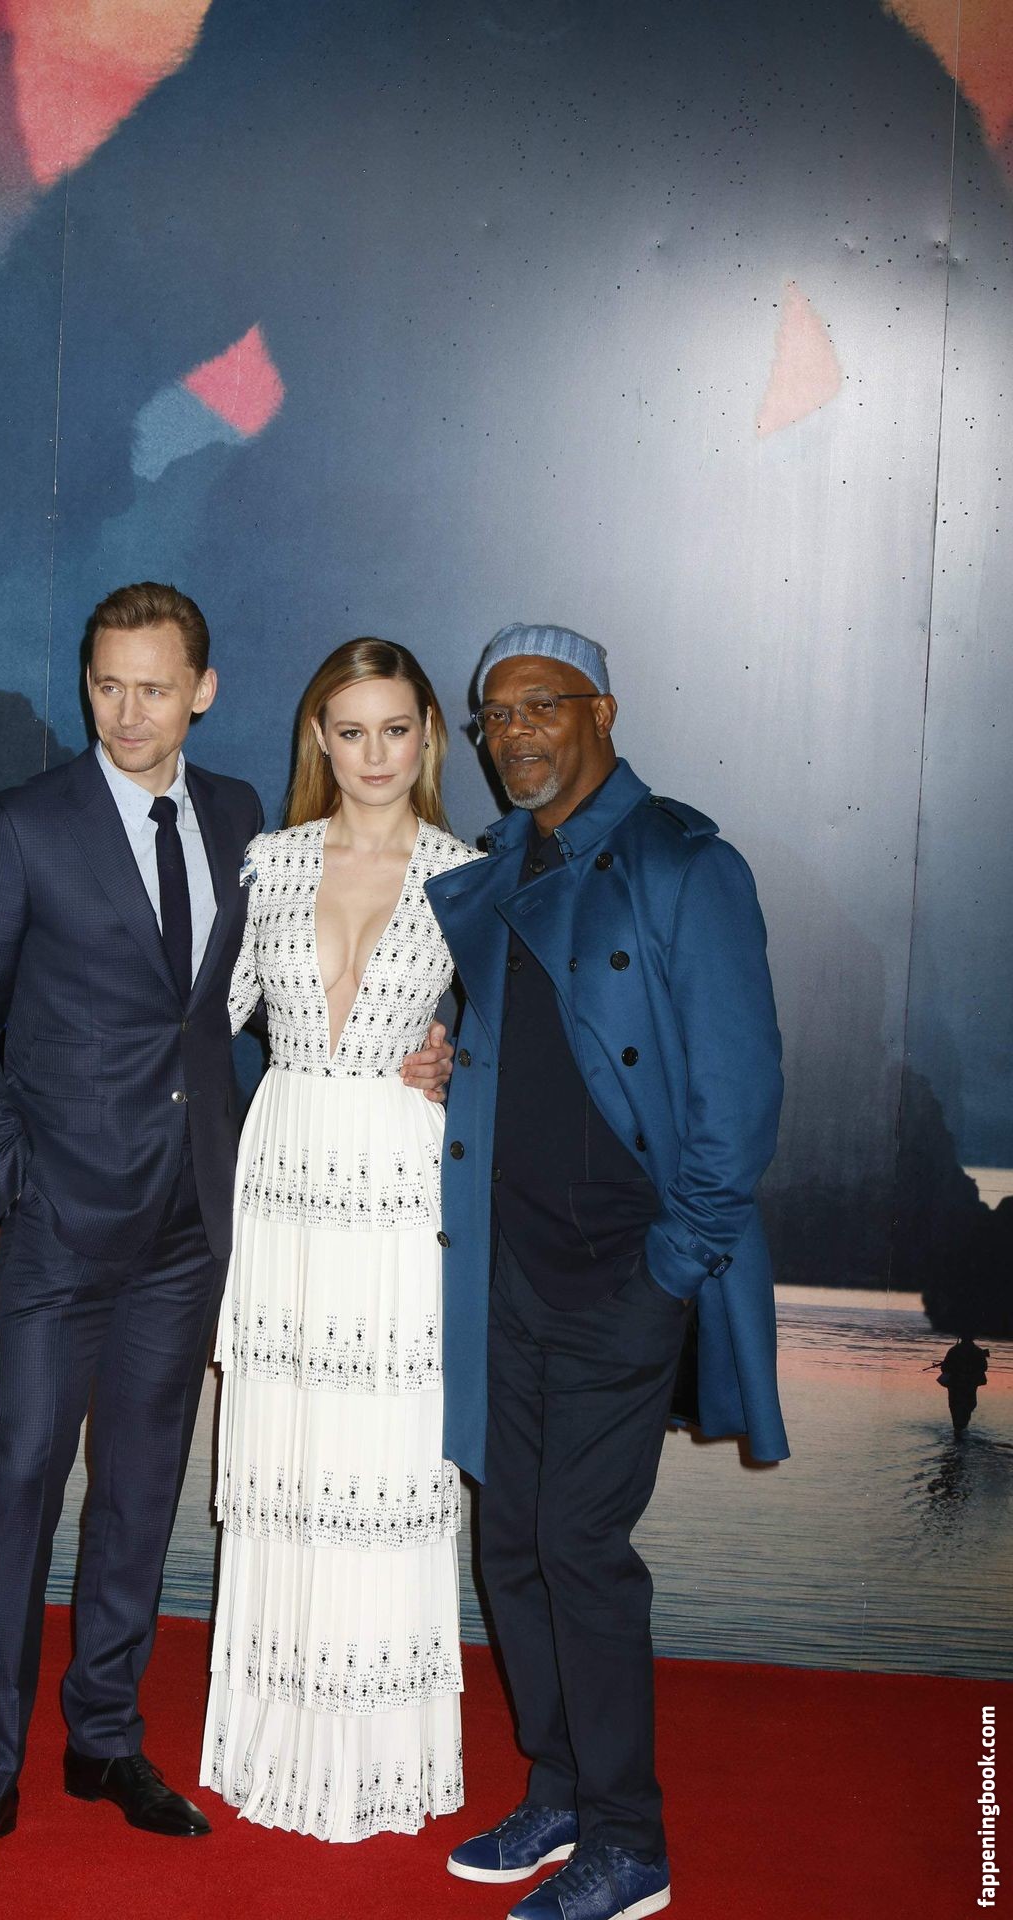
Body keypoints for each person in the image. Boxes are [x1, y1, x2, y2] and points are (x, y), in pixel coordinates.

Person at [0, 579, 457, 1880]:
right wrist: (15, 1179)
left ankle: (103, 1737)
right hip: (60, 1220)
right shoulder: (20, 827)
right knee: (18, 1486)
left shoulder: (235, 820)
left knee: (143, 1490)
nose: (129, 711)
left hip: (194, 1224)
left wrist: (435, 1048)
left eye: (156, 688)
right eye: (108, 685)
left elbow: (243, 1006)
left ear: (202, 692)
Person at [425, 623, 788, 1920]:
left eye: (543, 705)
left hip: (622, 1277)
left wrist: (672, 1266)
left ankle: (630, 1843)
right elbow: (527, 1051)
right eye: (495, 715)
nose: (514, 732)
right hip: (508, 1267)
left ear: (603, 711)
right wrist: (449, 1064)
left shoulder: (685, 863)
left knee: (579, 1545)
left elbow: (739, 1096)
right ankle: (563, 1788)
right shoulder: (499, 868)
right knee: (511, 1541)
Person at [199, 638, 482, 1841]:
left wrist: (458, 1062)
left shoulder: (470, 877)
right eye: (350, 731)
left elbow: (519, 1042)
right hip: (284, 1177)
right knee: (291, 1456)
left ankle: (380, 1758)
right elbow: (198, 1018)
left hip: (399, 1187)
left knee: (387, 1454)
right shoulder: (268, 862)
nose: (374, 755)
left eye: (394, 730)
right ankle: (273, 1743)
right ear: (319, 736)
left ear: (427, 737)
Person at [933, 1334, 990, 1435]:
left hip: (955, 1385)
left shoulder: (954, 1350)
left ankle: (958, 1430)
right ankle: (962, 1428)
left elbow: (945, 1368)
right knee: (968, 1406)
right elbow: (984, 1367)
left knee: (955, 1407)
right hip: (970, 1385)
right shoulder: (977, 1351)